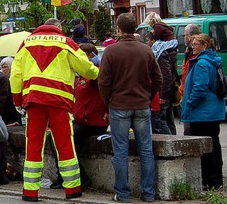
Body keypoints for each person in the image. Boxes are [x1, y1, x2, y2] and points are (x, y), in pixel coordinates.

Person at [11, 18, 98, 202]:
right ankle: (72, 189)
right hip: (59, 101)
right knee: (64, 144)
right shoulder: (67, 43)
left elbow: (15, 75)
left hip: (33, 101)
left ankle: (30, 191)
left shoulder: (26, 43)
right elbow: (86, 68)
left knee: (33, 144)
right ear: (58, 28)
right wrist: (99, 73)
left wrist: (17, 99)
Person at [98, 13, 162, 203]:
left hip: (119, 105)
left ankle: (123, 194)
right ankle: (148, 193)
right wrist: (148, 95)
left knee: (120, 151)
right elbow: (158, 78)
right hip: (142, 104)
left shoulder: (111, 52)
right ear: (135, 28)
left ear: (118, 29)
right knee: (146, 150)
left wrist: (107, 101)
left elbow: (103, 81)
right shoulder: (146, 50)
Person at [49, 43, 107, 191]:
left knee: (60, 136)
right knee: (55, 136)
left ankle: (79, 177)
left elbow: (107, 90)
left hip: (93, 122)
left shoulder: (95, 73)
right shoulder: (81, 76)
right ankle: (64, 174)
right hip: (82, 120)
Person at [181, 33, 224, 191]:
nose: (193, 46)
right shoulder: (213, 60)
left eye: (196, 43)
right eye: (192, 43)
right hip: (213, 110)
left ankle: (209, 180)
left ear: (205, 46)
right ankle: (216, 180)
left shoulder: (201, 63)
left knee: (206, 148)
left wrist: (189, 104)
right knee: (214, 145)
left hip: (203, 112)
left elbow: (200, 87)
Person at [145, 25, 178, 135]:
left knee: (161, 122)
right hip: (169, 91)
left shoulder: (161, 53)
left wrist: (163, 95)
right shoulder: (170, 49)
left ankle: (170, 145)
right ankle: (175, 143)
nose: (147, 42)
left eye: (148, 39)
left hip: (163, 93)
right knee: (169, 120)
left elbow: (165, 75)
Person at [179, 24, 202, 135]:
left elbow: (198, 84)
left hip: (191, 98)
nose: (184, 37)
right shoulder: (188, 52)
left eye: (185, 34)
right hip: (186, 95)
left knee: (190, 133)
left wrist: (190, 101)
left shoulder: (196, 56)